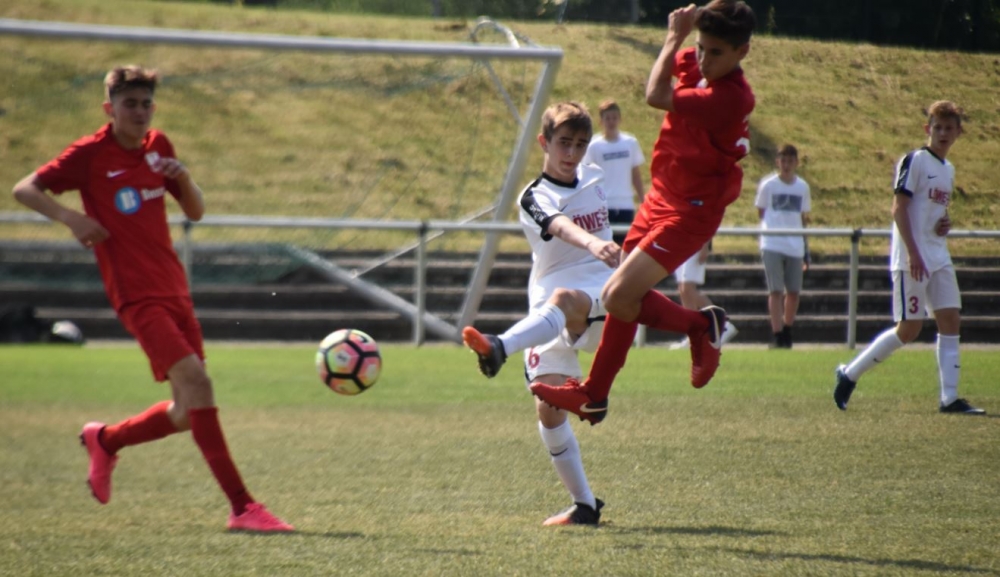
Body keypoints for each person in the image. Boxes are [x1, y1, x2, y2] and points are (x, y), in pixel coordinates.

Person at [11, 65, 294, 531]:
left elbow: (196, 212)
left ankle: (106, 440)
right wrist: (71, 218)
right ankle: (243, 507)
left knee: (185, 412)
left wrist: (184, 179)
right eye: (130, 104)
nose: (140, 112)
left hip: (175, 289)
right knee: (199, 385)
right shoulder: (89, 155)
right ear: (109, 108)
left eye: (146, 104)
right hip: (137, 297)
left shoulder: (159, 147)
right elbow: (25, 188)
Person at [531, 0, 756, 424]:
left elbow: (655, 94)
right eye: (700, 47)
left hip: (691, 211)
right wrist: (688, 36)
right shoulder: (703, 67)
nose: (703, 59)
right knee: (622, 297)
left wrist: (674, 35)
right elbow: (670, 69)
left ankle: (699, 327)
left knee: (617, 295)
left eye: (715, 52)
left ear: (742, 52)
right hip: (660, 197)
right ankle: (595, 395)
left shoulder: (730, 97)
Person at [461, 101, 619, 525]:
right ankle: (585, 505)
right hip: (548, 305)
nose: (572, 153)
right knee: (548, 407)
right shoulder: (533, 197)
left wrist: (602, 248)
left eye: (580, 145)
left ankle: (500, 346)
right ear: (543, 142)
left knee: (565, 299)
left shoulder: (595, 176)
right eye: (564, 143)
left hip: (600, 292)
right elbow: (558, 226)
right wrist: (593, 241)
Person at [834, 101, 984, 415]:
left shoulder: (948, 169)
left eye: (949, 128)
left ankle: (950, 398)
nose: (943, 133)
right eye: (937, 127)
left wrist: (944, 223)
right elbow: (899, 208)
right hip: (912, 257)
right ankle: (850, 374)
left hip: (938, 254)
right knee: (909, 329)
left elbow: (933, 210)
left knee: (950, 318)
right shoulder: (915, 160)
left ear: (959, 132)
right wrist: (913, 253)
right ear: (927, 129)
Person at [754, 144, 811, 349]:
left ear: (796, 163)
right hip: (772, 243)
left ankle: (788, 328)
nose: (786, 165)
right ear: (778, 162)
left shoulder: (802, 187)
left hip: (795, 244)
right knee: (776, 290)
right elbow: (761, 212)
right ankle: (777, 333)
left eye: (790, 161)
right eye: (783, 161)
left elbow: (803, 217)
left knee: (793, 291)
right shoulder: (768, 185)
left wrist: (806, 248)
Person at [583, 99, 646, 245]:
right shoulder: (594, 146)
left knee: (624, 246)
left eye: (614, 118)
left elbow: (635, 173)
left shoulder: (630, 143)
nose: (611, 122)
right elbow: (588, 176)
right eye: (607, 118)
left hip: (625, 204)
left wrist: (642, 199)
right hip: (603, 205)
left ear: (620, 119)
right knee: (605, 246)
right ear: (601, 121)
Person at [669, 239, 738, 350]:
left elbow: (707, 226)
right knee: (683, 291)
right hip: (680, 243)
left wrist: (705, 246)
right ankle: (692, 335)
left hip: (695, 243)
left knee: (688, 289)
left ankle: (723, 325)